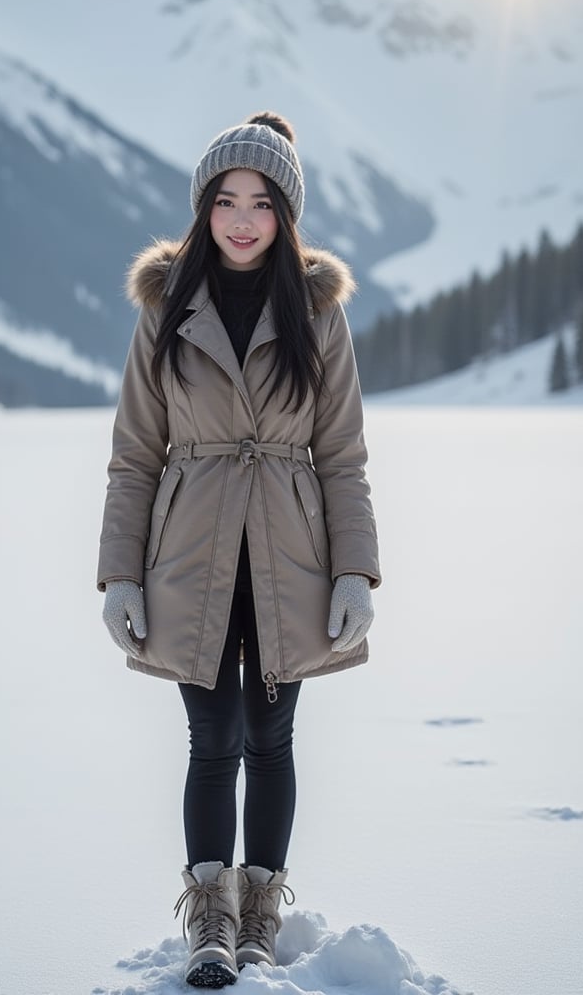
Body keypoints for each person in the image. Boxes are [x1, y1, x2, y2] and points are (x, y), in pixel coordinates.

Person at [97, 112, 381, 988]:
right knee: (210, 738)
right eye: (226, 201)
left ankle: (261, 909)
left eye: (262, 202)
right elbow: (136, 455)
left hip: (290, 553)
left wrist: (354, 572)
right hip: (192, 553)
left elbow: (341, 457)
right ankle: (211, 916)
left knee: (273, 735)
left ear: (286, 213)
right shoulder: (168, 306)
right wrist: (120, 575)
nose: (244, 219)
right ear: (203, 209)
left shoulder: (319, 313)